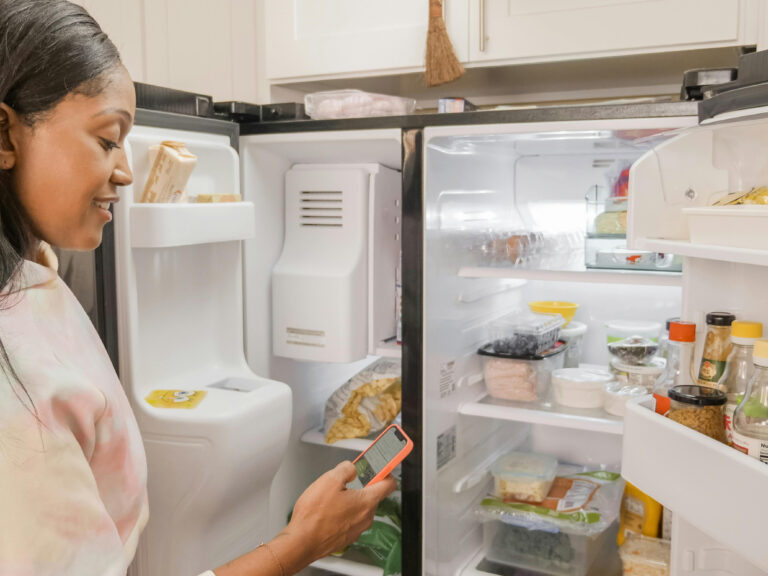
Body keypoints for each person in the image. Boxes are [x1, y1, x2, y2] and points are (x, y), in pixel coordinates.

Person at [0, 2, 397, 575]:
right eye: (109, 139)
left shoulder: (33, 277)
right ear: (5, 136)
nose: (127, 171)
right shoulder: (16, 386)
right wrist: (302, 542)